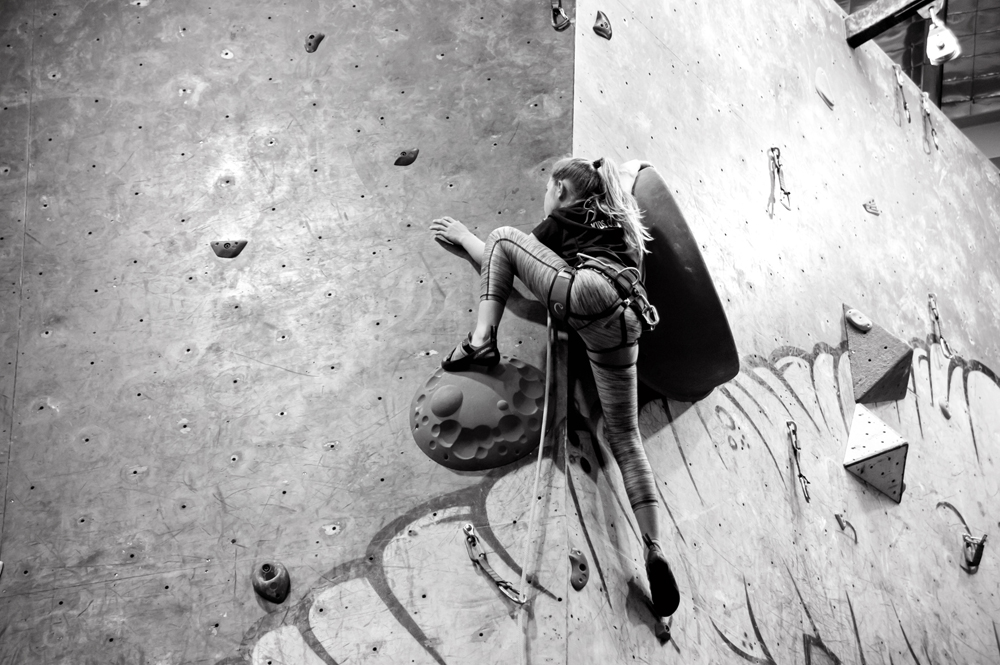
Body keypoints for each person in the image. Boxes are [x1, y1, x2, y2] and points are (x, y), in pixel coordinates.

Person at [429, 156, 680, 618]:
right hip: (628, 321)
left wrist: (466, 238)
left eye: (548, 189)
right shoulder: (622, 226)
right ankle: (653, 546)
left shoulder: (564, 215)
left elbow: (501, 258)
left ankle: (481, 342)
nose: (546, 198)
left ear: (562, 189)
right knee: (625, 438)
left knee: (504, 235)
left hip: (589, 294)